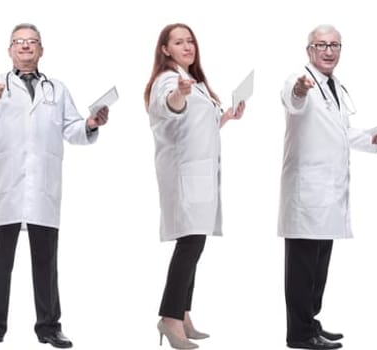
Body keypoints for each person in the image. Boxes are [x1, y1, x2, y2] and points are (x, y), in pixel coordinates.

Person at [0, 23, 107, 349]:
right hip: (7, 189)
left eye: (32, 42)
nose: (25, 47)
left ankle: (49, 327)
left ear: (41, 50)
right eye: (19, 42)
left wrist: (91, 123)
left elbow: (72, 129)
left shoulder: (57, 89)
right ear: (10, 50)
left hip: (43, 188)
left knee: (46, 263)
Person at [278, 24, 377, 350]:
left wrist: (370, 138)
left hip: (327, 194)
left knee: (319, 267)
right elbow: (292, 101)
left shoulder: (332, 85)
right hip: (307, 194)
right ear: (309, 50)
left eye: (335, 45)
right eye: (322, 45)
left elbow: (340, 132)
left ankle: (310, 324)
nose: (328, 51)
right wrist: (299, 89)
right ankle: (298, 334)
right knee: (302, 268)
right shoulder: (300, 80)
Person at [143, 23, 245, 350]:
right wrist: (179, 95)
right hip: (184, 175)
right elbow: (170, 107)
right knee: (190, 245)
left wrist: (226, 116)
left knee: (195, 244)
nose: (187, 47)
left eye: (190, 41)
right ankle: (169, 318)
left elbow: (198, 126)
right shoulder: (168, 81)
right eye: (179, 42)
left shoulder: (195, 83)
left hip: (198, 173)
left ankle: (183, 314)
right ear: (165, 50)